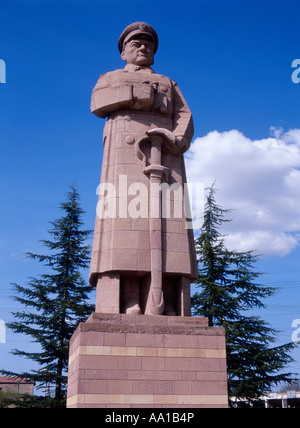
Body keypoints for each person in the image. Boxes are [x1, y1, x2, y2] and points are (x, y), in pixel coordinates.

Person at [90, 22, 197, 316]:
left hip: (166, 157)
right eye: (135, 43)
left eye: (148, 44)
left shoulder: (168, 82)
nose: (142, 47)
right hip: (124, 158)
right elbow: (97, 103)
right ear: (124, 50)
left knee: (170, 226)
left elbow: (185, 116)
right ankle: (128, 298)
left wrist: (175, 138)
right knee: (123, 227)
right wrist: (137, 95)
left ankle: (167, 299)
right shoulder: (110, 77)